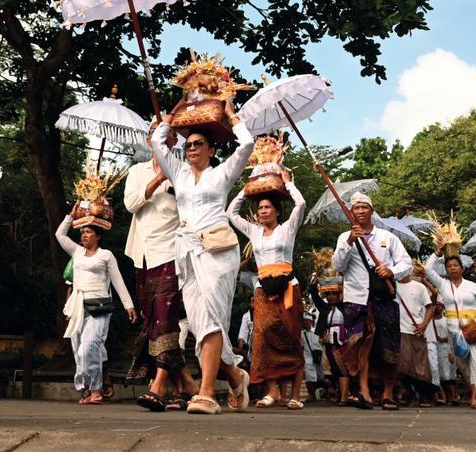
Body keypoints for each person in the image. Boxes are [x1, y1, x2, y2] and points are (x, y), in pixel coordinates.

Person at [150, 111, 254, 415]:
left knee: (211, 318)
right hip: (187, 253)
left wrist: (233, 116)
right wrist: (171, 116)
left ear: (211, 149)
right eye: (188, 144)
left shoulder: (221, 173)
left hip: (218, 252)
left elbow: (246, 145)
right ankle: (235, 376)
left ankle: (207, 392)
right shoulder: (178, 172)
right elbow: (157, 141)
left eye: (198, 144)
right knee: (198, 323)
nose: (192, 148)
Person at [122, 123, 198, 411]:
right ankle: (186, 383)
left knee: (166, 316)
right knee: (152, 318)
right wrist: (157, 179)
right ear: (148, 139)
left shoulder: (184, 172)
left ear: (173, 139)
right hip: (143, 254)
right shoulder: (137, 172)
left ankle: (159, 383)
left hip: (172, 252)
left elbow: (193, 210)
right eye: (154, 133)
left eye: (164, 134)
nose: (159, 138)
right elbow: (130, 204)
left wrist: (172, 178)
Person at [225, 175, 308, 409]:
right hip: (263, 289)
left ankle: (295, 395)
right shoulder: (254, 232)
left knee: (292, 338)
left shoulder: (288, 229)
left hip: (287, 287)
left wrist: (287, 182)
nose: (263, 211)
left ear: (278, 211)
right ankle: (272, 391)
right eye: (260, 207)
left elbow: (300, 204)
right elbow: (231, 213)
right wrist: (245, 189)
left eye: (267, 207)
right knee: (262, 338)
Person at [331, 193, 412, 410]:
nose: (359, 212)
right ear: (350, 212)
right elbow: (339, 266)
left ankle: (387, 393)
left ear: (372, 211)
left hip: (384, 298)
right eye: (355, 208)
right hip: (356, 298)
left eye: (364, 208)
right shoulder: (343, 237)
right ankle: (363, 391)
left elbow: (407, 264)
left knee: (389, 346)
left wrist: (391, 270)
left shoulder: (387, 237)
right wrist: (349, 241)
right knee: (359, 345)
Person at [54, 216, 136, 404]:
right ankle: (92, 389)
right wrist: (70, 217)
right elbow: (60, 234)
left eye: (88, 232)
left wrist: (128, 305)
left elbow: (118, 281)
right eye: (82, 232)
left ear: (98, 236)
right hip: (78, 307)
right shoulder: (77, 252)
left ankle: (96, 390)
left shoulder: (105, 255)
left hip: (99, 307)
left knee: (89, 346)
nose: (84, 235)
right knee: (78, 350)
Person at [424, 251, 476, 409]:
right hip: (454, 330)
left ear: (462, 268)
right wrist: (437, 253)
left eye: (455, 265)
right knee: (464, 365)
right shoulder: (443, 284)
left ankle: (474, 398)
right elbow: (428, 269)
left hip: (474, 328)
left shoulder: (472, 286)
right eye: (449, 266)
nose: (452, 268)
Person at [394, 275, 434, 407]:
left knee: (420, 365)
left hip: (416, 330)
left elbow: (429, 307)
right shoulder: (391, 285)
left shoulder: (419, 287)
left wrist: (424, 324)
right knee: (403, 364)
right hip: (398, 330)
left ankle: (424, 394)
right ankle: (406, 391)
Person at [307, 278, 349, 404]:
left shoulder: (344, 306)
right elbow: (315, 296)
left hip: (342, 342)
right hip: (328, 342)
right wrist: (314, 282)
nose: (331, 297)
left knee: (342, 369)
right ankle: (340, 394)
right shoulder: (324, 308)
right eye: (328, 294)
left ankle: (344, 397)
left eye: (333, 294)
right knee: (334, 370)